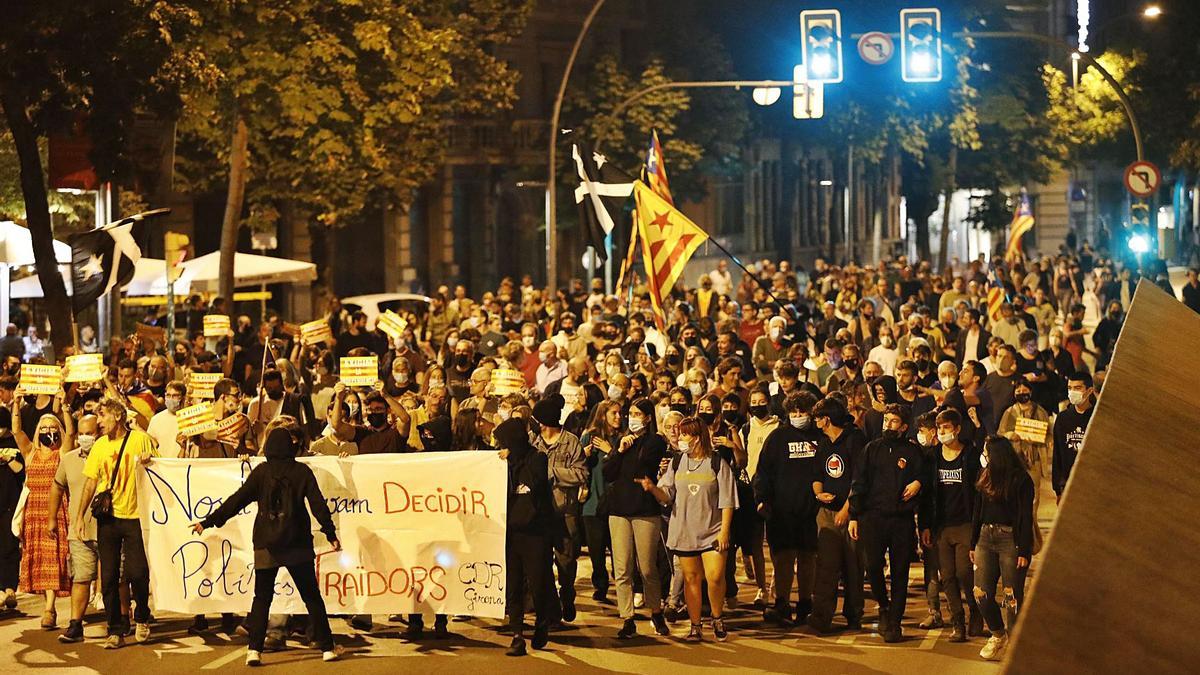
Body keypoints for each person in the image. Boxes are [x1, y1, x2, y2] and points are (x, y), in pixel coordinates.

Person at [191, 420, 341, 665]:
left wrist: (208, 521)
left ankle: (254, 650)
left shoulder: (261, 472)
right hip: (298, 544)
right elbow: (318, 505)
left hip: (265, 544)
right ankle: (327, 647)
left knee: (262, 598)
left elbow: (236, 500)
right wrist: (330, 533)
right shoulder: (302, 472)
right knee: (311, 596)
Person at [638, 416, 737, 642]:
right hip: (684, 531)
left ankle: (717, 616)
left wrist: (724, 532)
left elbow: (728, 500)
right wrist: (653, 488)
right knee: (691, 579)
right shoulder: (676, 462)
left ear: (697, 436)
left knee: (714, 577)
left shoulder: (717, 462)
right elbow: (667, 496)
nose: (679, 438)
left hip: (713, 530)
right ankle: (696, 626)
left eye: (684, 434)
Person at [76, 398, 159, 648]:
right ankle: (116, 629)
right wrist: (80, 516)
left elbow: (161, 469)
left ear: (118, 417)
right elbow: (90, 482)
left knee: (138, 573)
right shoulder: (100, 446)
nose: (99, 421)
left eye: (102, 416)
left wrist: (150, 460)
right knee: (109, 576)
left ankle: (142, 616)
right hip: (108, 519)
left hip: (135, 517)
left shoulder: (140, 440)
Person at [848, 403, 925, 643]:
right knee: (872, 566)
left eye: (893, 422)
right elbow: (858, 483)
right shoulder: (872, 449)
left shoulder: (913, 452)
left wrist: (918, 483)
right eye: (886, 420)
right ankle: (883, 605)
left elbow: (925, 475)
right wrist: (853, 515)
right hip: (872, 517)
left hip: (901, 519)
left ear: (903, 426)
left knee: (900, 571)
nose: (888, 425)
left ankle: (894, 621)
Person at [602, 398, 670, 638]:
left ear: (648, 418)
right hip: (618, 510)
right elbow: (608, 472)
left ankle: (656, 610)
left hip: (644, 509)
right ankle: (627, 617)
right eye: (630, 413)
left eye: (637, 414)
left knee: (648, 567)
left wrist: (631, 450)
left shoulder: (654, 442)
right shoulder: (620, 441)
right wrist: (619, 451)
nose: (632, 418)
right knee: (622, 567)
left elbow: (642, 467)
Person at [754, 392, 821, 625]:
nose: (799, 416)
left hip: (812, 510)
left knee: (807, 558)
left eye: (803, 412)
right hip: (781, 510)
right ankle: (781, 602)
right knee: (782, 558)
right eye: (794, 412)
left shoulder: (820, 436)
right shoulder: (778, 438)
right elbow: (763, 472)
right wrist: (762, 499)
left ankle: (805, 603)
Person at [495, 417, 557, 656]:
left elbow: (536, 483)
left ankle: (542, 621)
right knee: (513, 584)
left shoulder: (537, 458)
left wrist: (513, 462)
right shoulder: (503, 462)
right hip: (510, 532)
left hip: (535, 533)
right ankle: (517, 634)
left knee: (538, 581)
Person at [971, 436, 1036, 662]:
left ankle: (1015, 641)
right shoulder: (984, 476)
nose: (983, 455)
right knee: (981, 593)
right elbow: (977, 512)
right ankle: (998, 634)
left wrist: (1024, 550)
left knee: (1011, 596)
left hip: (1010, 540)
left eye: (986, 452)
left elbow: (1025, 517)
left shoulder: (1021, 481)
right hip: (984, 538)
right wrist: (973, 543)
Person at [13, 400, 73, 628]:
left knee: (54, 559)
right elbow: (17, 430)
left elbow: (70, 435)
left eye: (53, 428)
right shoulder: (30, 452)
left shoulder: (63, 453)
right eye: (45, 428)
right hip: (34, 513)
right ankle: (48, 606)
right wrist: (16, 405)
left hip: (56, 510)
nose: (49, 432)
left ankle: (50, 609)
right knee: (39, 560)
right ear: (38, 431)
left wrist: (65, 409)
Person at [808, 398, 866, 633]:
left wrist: (847, 510)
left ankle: (854, 615)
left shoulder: (855, 439)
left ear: (827, 418)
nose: (815, 421)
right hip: (826, 514)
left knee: (853, 567)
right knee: (825, 567)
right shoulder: (823, 443)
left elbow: (859, 479)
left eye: (818, 417)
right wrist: (819, 493)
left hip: (851, 517)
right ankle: (821, 617)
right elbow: (817, 474)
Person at [529, 394, 587, 623]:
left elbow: (581, 473)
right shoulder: (533, 441)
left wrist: (553, 473)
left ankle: (567, 594)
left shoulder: (571, 442)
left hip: (565, 512)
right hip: (540, 512)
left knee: (566, 560)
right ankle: (549, 608)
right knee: (541, 562)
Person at [46, 415, 99, 642]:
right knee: (81, 578)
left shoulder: (111, 454)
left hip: (111, 528)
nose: (85, 438)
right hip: (80, 531)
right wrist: (52, 520)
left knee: (117, 580)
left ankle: (122, 621)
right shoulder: (68, 459)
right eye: (82, 433)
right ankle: (75, 625)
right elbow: (57, 488)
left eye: (91, 433)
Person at [580, 400, 622, 603]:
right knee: (596, 550)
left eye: (620, 413)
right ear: (603, 415)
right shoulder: (590, 436)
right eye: (613, 413)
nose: (618, 417)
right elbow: (578, 465)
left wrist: (610, 451)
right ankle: (600, 585)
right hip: (593, 502)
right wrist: (584, 455)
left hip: (616, 502)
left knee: (618, 550)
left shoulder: (621, 438)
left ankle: (622, 584)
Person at [1052, 372, 1094, 502]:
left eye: (1077, 388)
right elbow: (1057, 453)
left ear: (1089, 390)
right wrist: (1057, 488)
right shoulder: (1063, 418)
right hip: (1068, 482)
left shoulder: (1096, 416)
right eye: (1070, 388)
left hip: (1091, 481)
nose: (1072, 392)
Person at [146, 380, 186, 458]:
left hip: (183, 466)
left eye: (175, 396)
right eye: (168, 395)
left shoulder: (189, 418)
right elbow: (150, 444)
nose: (170, 399)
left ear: (183, 398)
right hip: (161, 466)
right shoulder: (156, 419)